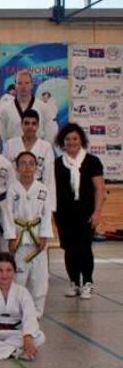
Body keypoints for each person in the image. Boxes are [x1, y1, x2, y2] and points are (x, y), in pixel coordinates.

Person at [54, 124, 105, 299]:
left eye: (75, 138)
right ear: (63, 142)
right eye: (68, 139)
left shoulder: (92, 161)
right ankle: (74, 282)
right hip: (64, 214)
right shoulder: (57, 164)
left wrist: (97, 212)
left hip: (86, 213)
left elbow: (99, 189)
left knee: (84, 248)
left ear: (81, 140)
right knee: (69, 249)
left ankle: (88, 282)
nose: (71, 142)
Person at [1, 152, 53, 316]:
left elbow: (47, 214)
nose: (27, 167)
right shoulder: (12, 189)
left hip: (37, 240)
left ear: (36, 167)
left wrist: (44, 235)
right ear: (17, 168)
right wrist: (11, 236)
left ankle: (37, 312)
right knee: (19, 277)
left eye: (31, 163)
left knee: (40, 278)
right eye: (23, 163)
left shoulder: (42, 189)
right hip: (19, 238)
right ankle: (18, 311)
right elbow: (7, 214)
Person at [4, 109, 57, 210]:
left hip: (37, 192)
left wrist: (50, 208)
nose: (30, 127)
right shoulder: (10, 144)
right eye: (27, 123)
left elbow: (49, 179)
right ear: (21, 124)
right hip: (15, 192)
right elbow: (6, 174)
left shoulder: (46, 147)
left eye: (33, 124)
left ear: (38, 126)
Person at [0, 71, 57, 144]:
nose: (23, 86)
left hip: (38, 149)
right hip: (15, 149)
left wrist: (42, 148)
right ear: (15, 86)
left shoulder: (43, 107)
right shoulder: (6, 109)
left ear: (32, 85)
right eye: (20, 83)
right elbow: (4, 135)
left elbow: (49, 133)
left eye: (27, 83)